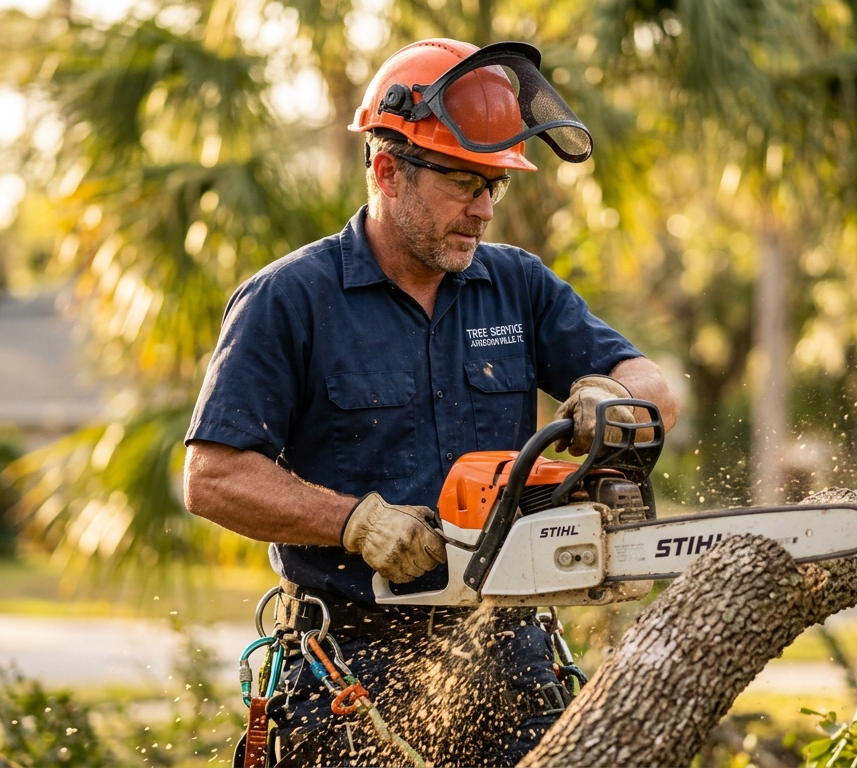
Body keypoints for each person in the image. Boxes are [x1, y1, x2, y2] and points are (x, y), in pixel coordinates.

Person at [184, 38, 680, 766]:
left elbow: (655, 390)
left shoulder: (516, 285)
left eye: (493, 186)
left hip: (508, 652)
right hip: (349, 657)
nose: (482, 210)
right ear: (388, 171)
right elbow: (214, 476)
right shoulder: (291, 299)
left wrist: (612, 395)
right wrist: (353, 523)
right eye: (462, 183)